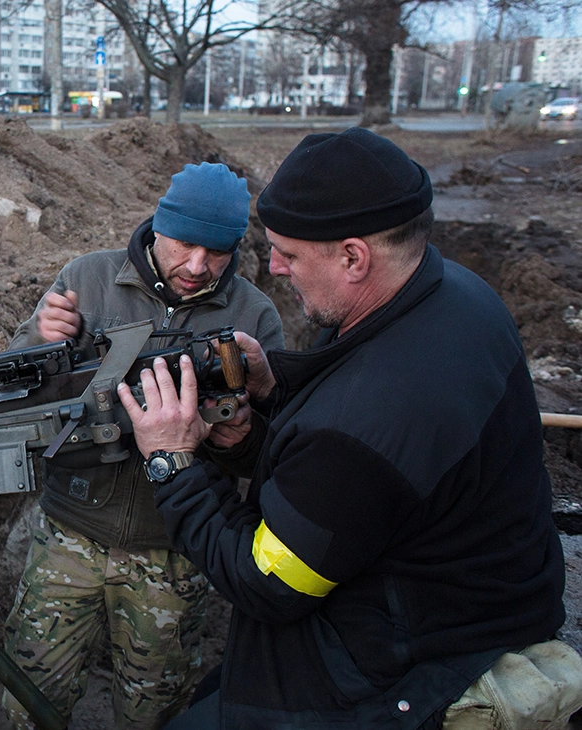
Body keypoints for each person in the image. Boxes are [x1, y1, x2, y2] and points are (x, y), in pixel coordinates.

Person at [118, 127, 582, 729]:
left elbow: (266, 584)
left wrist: (172, 461)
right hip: (471, 601)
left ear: (354, 256)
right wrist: (274, 382)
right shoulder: (457, 296)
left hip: (405, 668)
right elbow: (354, 381)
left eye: (288, 252)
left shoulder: (371, 424)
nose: (275, 268)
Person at [1, 162, 285, 729]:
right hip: (69, 535)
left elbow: (275, 453)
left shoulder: (254, 317)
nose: (197, 267)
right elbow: (15, 393)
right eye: (184, 245)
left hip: (176, 553)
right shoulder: (89, 278)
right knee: (29, 696)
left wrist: (238, 439)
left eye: (218, 253)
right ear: (158, 224)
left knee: (157, 711)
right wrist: (38, 338)